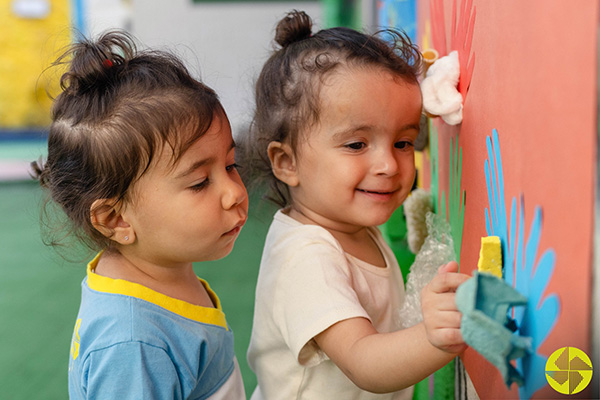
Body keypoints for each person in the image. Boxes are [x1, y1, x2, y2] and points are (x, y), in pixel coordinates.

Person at [241, 10, 471, 399]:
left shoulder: (350, 227)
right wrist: (435, 337)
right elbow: (364, 362)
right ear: (287, 162)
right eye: (356, 145)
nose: (388, 165)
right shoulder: (307, 258)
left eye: (403, 142)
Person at [32, 31, 248, 399]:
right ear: (116, 219)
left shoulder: (159, 277)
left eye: (231, 164)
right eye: (199, 183)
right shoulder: (133, 345)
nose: (236, 192)